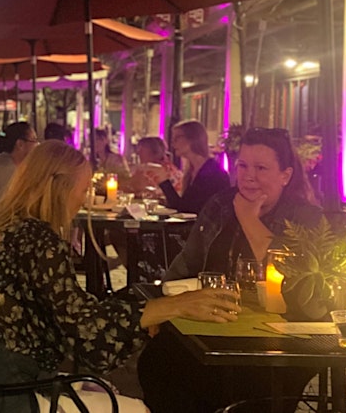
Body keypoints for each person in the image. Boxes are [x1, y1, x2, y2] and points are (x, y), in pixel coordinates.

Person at [0, 141, 240, 413]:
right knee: (135, 409)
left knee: (104, 393)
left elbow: (68, 312)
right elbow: (85, 331)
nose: (84, 199)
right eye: (83, 190)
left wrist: (149, 308)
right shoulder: (36, 239)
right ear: (60, 188)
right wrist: (177, 306)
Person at [138, 127, 323, 413]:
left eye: (261, 168)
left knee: (248, 384)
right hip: (217, 322)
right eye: (243, 165)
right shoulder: (221, 204)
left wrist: (248, 218)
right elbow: (189, 260)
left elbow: (297, 278)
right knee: (157, 360)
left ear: (285, 175)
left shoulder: (304, 217)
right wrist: (163, 303)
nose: (248, 176)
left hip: (282, 336)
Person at [150, 120, 229, 214]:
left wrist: (164, 181)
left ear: (193, 139)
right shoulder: (191, 171)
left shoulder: (214, 174)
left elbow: (185, 209)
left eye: (178, 137)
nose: (173, 143)